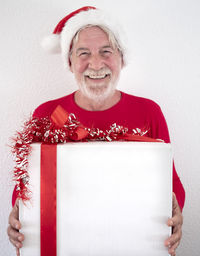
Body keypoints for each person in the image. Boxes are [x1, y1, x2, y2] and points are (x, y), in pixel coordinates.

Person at [7, 6, 185, 256]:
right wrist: (19, 212)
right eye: (83, 53)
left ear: (122, 59)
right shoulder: (47, 114)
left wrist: (175, 212)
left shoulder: (149, 111)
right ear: (70, 62)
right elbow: (26, 184)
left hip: (133, 245)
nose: (96, 63)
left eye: (106, 52)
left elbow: (171, 182)